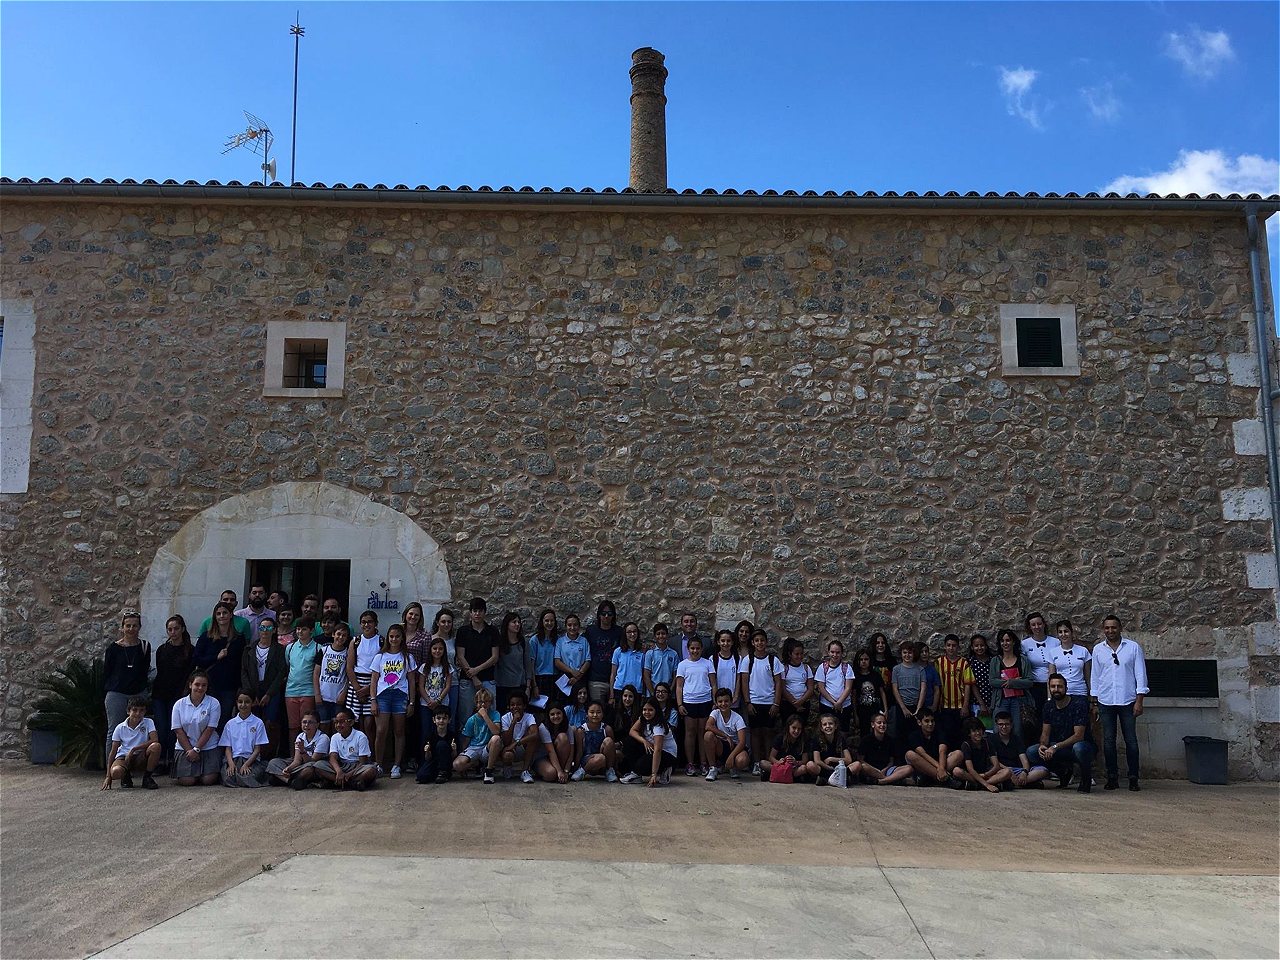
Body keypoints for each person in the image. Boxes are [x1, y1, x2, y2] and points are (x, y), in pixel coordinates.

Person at [1090, 615, 1148, 791]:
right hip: (1106, 701)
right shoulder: (1098, 649)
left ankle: (1133, 777)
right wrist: (1094, 701)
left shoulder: (1133, 648)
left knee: (1131, 740)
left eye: (1113, 627)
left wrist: (1139, 700)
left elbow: (1141, 675)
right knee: (1108, 741)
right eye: (1107, 628)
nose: (1110, 631)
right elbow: (1095, 676)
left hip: (1127, 700)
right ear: (1103, 630)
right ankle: (1112, 777)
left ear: (1120, 628)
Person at [1028, 673, 1096, 792]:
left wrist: (1054, 747)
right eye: (1053, 686)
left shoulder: (1078, 704)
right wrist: (1043, 745)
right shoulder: (1048, 706)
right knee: (1032, 752)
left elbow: (1078, 736)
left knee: (1079, 748)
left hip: (1080, 746)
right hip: (1059, 747)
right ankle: (1063, 772)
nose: (1056, 689)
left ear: (1066, 688)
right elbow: (1045, 733)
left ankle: (1085, 779)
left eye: (1059, 686)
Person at [103, 610, 152, 765]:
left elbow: (144, 670)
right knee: (114, 731)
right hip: (117, 694)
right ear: (122, 627)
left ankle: (135, 765)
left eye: (134, 626)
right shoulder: (113, 648)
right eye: (128, 625)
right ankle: (112, 767)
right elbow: (107, 672)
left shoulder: (144, 646)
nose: (131, 629)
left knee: (139, 730)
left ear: (139, 627)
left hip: (138, 693)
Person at [368, 622, 417, 779]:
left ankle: (396, 765)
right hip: (383, 695)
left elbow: (411, 681)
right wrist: (373, 700)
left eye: (397, 636)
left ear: (402, 638)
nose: (394, 639)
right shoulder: (380, 656)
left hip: (400, 696)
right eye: (391, 636)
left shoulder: (407, 657)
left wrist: (411, 702)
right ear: (387, 638)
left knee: (399, 731)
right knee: (381, 730)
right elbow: (374, 680)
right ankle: (379, 764)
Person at [194, 602, 248, 727]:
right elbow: (197, 659)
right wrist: (215, 657)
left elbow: (242, 664)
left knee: (224, 718)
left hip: (230, 686)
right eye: (218, 614)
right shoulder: (206, 637)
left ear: (231, 615)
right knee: (206, 719)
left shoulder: (239, 639)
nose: (222, 616)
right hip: (209, 685)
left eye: (225, 613)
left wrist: (241, 685)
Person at [151, 614, 194, 772]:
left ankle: (172, 761)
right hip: (160, 694)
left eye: (176, 628)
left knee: (174, 729)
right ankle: (161, 760)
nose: (173, 632)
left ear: (182, 629)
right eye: (170, 629)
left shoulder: (190, 650)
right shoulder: (162, 650)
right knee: (161, 728)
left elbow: (190, 674)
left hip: (179, 695)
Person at [239, 614, 286, 756]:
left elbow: (281, 673)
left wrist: (269, 694)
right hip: (253, 691)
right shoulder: (249, 649)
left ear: (274, 630)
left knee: (270, 723)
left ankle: (268, 754)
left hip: (271, 691)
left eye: (269, 628)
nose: (265, 631)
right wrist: (250, 694)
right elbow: (244, 672)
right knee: (252, 723)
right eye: (262, 628)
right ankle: (250, 752)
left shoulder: (280, 650)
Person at [739, 629, 783, 774]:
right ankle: (757, 762)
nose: (760, 643)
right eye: (757, 640)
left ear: (766, 642)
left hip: (770, 703)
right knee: (755, 733)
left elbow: (778, 682)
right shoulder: (748, 660)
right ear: (752, 643)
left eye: (762, 640)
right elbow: (744, 682)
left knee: (768, 733)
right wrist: (748, 702)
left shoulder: (773, 660)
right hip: (754, 702)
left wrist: (776, 703)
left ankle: (768, 763)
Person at [171, 669, 221, 786]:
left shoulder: (214, 703)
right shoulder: (179, 704)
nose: (200, 688)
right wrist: (190, 750)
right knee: (187, 781)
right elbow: (178, 731)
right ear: (190, 685)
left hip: (208, 746)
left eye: (204, 685)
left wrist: (196, 749)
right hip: (185, 747)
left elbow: (210, 729)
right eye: (197, 684)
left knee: (208, 780)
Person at [102, 695, 161, 790]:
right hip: (124, 757)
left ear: (145, 712)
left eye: (141, 710)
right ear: (128, 711)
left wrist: (134, 749)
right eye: (134, 710)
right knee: (116, 772)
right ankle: (125, 776)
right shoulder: (120, 728)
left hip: (140, 755)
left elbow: (154, 739)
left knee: (156, 746)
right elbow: (113, 751)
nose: (138, 713)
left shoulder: (148, 722)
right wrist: (108, 776)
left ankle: (147, 778)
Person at [455, 598, 500, 721]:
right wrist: (474, 677)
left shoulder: (493, 631)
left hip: (488, 679)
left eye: (480, 611)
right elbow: (460, 656)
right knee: (465, 715)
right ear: (470, 612)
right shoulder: (463, 631)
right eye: (475, 611)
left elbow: (495, 657)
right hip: (467, 680)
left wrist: (477, 670)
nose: (477, 614)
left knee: (490, 715)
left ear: (485, 612)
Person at [676, 636, 716, 776]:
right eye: (692, 648)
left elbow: (713, 684)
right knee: (690, 733)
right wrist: (680, 704)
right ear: (688, 649)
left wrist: (715, 701)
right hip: (689, 702)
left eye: (697, 648)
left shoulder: (708, 663)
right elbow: (679, 686)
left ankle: (703, 763)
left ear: (702, 649)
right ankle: (690, 763)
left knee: (702, 732)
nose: (695, 651)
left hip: (705, 701)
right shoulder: (683, 665)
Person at [989, 629, 1036, 744]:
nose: (1005, 643)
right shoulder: (995, 660)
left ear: (1013, 642)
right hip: (1001, 700)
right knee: (998, 730)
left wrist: (1013, 682)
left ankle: (1019, 753)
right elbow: (992, 681)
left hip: (1019, 701)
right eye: (1002, 641)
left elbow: (1029, 681)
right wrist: (1012, 681)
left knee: (1018, 730)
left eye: (1008, 640)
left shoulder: (1023, 660)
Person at [316, 707, 378, 790]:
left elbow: (363, 762)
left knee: (371, 770)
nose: (338, 725)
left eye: (342, 722)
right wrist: (339, 771)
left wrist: (348, 775)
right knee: (318, 765)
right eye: (336, 722)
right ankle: (351, 783)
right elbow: (333, 757)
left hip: (357, 767)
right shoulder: (335, 737)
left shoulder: (360, 736)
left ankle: (340, 782)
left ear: (351, 722)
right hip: (342, 766)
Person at [620, 697, 677, 786]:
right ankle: (636, 775)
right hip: (651, 748)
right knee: (629, 742)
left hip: (666, 753)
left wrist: (654, 774)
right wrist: (644, 741)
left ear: (656, 710)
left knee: (643, 764)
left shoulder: (659, 726)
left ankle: (665, 768)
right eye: (644, 709)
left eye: (650, 710)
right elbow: (632, 731)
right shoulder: (643, 718)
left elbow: (658, 750)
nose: (647, 712)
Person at [489, 690, 542, 783]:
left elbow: (535, 734)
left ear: (524, 706)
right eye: (512, 705)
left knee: (532, 738)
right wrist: (513, 721)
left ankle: (525, 771)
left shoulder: (529, 717)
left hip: (521, 746)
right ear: (509, 706)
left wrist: (517, 743)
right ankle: (507, 767)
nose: (515, 707)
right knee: (507, 755)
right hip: (509, 748)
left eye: (519, 704)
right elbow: (506, 741)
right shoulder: (505, 718)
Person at [266, 711, 329, 789]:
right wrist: (288, 769)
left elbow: (312, 761)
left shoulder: (323, 738)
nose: (306, 725)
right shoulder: (300, 736)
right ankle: (290, 781)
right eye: (304, 722)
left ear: (317, 724)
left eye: (310, 722)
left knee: (311, 768)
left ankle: (281, 778)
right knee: (273, 762)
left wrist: (302, 751)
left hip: (310, 765)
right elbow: (297, 761)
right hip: (299, 766)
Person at [219, 690, 269, 787]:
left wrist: (246, 764)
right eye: (240, 702)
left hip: (251, 760)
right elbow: (228, 748)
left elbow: (257, 749)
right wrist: (231, 764)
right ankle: (241, 779)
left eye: (247, 702)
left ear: (253, 703)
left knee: (253, 775)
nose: (243, 705)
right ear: (236, 703)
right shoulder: (230, 724)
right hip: (234, 759)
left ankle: (242, 779)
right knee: (227, 776)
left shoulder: (258, 723)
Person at [988, 710, 1049, 789]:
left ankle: (1014, 783)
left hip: (1017, 770)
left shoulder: (1017, 739)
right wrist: (1008, 771)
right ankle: (1024, 783)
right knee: (1000, 773)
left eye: (1007, 724)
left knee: (1043, 770)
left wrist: (1024, 772)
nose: (1004, 727)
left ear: (1011, 725)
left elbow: (1024, 759)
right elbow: (995, 762)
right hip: (1001, 769)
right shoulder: (991, 739)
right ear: (996, 725)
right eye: (1001, 724)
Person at [934, 634, 975, 748]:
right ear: (945, 647)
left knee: (961, 734)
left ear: (958, 647)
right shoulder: (938, 662)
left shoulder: (964, 663)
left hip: (960, 706)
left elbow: (968, 685)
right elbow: (936, 685)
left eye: (954, 645)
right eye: (949, 645)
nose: (951, 648)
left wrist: (965, 706)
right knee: (946, 735)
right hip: (944, 706)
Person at [345, 610, 382, 736]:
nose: (366, 625)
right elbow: (349, 667)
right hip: (356, 683)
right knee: (355, 722)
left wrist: (368, 689)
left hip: (373, 683)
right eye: (363, 622)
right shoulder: (355, 641)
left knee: (369, 724)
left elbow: (383, 668)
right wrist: (358, 690)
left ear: (376, 623)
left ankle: (370, 748)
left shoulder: (382, 641)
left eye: (370, 622)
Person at [453, 686, 501, 781]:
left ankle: (489, 770)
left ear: (490, 703)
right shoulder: (471, 719)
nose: (483, 704)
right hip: (474, 747)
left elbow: (496, 731)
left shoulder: (495, 714)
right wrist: (463, 756)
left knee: (496, 738)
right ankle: (477, 764)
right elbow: (466, 740)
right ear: (476, 703)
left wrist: (485, 716)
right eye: (480, 702)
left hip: (487, 748)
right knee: (457, 765)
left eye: (486, 701)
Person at [1021, 612, 1061, 726]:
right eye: (1033, 625)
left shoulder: (1055, 642)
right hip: (1035, 686)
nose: (1037, 627)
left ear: (1044, 624)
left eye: (1039, 624)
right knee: (1038, 715)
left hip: (1054, 684)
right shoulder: (1024, 644)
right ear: (1029, 627)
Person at [852, 712, 914, 785]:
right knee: (863, 766)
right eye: (879, 723)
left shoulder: (890, 740)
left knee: (909, 768)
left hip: (887, 770)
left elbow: (891, 761)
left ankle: (882, 781)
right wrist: (877, 771)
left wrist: (885, 770)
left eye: (884, 723)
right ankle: (891, 779)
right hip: (871, 769)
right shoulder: (866, 740)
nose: (882, 725)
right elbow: (861, 760)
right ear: (873, 725)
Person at [952, 717, 1012, 792]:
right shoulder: (966, 745)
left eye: (979, 730)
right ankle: (987, 784)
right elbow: (970, 769)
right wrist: (987, 785)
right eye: (974, 731)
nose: (978, 733)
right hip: (972, 774)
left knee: (1007, 772)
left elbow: (996, 765)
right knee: (956, 771)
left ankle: (977, 785)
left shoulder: (987, 743)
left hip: (986, 773)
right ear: (969, 733)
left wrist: (986, 775)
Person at [704, 687, 749, 781]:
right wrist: (726, 736)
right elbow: (708, 726)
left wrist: (731, 756)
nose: (723, 704)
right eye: (720, 701)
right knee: (708, 735)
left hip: (735, 747)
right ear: (716, 703)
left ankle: (733, 767)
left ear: (731, 702)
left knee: (742, 760)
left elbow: (742, 742)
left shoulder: (738, 718)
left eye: (726, 701)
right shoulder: (715, 713)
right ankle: (713, 768)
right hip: (722, 745)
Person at [904, 709, 958, 786]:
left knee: (958, 754)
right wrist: (940, 768)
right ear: (919, 722)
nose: (930, 724)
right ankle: (945, 779)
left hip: (940, 763)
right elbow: (923, 754)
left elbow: (942, 751)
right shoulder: (914, 735)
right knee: (910, 754)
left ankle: (934, 779)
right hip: (924, 765)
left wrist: (941, 768)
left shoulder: (939, 732)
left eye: (932, 721)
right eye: (927, 721)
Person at [314, 623, 351, 735]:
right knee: (323, 726)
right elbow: (316, 674)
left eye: (344, 635)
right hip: (323, 696)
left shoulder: (348, 653)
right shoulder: (324, 650)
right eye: (338, 634)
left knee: (337, 726)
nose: (341, 637)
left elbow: (348, 675)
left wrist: (343, 693)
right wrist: (317, 694)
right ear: (333, 634)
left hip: (338, 697)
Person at [494, 611, 535, 713]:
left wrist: (528, 687)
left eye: (518, 622)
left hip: (519, 684)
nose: (517, 624)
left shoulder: (523, 642)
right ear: (507, 624)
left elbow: (528, 665)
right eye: (514, 622)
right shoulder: (499, 642)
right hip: (502, 685)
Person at [584, 600, 623, 704]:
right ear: (599, 615)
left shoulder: (619, 632)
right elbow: (581, 646)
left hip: (616, 680)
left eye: (609, 614)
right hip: (596, 680)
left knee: (615, 710)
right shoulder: (591, 631)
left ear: (613, 616)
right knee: (597, 709)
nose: (606, 616)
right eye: (603, 613)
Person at [761, 714, 819, 783]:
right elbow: (771, 757)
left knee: (803, 768)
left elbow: (805, 761)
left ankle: (777, 775)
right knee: (763, 763)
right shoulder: (780, 738)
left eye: (799, 729)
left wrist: (795, 762)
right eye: (794, 728)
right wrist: (778, 762)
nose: (796, 731)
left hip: (794, 768)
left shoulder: (804, 740)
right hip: (781, 766)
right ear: (788, 727)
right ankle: (787, 776)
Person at [417, 637, 453, 748]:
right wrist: (429, 701)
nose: (437, 651)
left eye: (440, 649)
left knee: (440, 730)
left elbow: (448, 686)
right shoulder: (424, 667)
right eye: (435, 648)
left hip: (442, 704)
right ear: (430, 650)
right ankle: (425, 755)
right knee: (426, 730)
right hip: (426, 704)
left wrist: (438, 701)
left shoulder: (448, 667)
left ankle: (440, 753)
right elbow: (421, 686)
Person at [814, 639, 854, 733]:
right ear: (828, 652)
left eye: (837, 652)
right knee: (827, 731)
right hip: (827, 705)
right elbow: (821, 687)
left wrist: (839, 702)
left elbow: (848, 687)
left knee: (843, 731)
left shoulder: (847, 668)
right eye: (832, 652)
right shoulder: (822, 667)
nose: (835, 655)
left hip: (844, 706)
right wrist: (833, 702)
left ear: (842, 653)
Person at [572, 700, 618, 782]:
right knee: (600, 758)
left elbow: (612, 750)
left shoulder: (607, 729)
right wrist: (575, 769)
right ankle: (582, 771)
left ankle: (609, 771)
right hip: (588, 760)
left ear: (602, 714)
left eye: (598, 712)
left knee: (609, 741)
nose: (595, 715)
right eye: (592, 712)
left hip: (603, 762)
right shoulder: (581, 731)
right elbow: (579, 752)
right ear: (587, 714)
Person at [891, 640, 927, 735]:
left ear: (914, 654)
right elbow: (895, 689)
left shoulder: (920, 670)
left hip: (916, 706)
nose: (907, 655)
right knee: (901, 734)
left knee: (916, 733)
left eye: (910, 653)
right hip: (901, 706)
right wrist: (903, 708)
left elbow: (923, 689)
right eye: (905, 652)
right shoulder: (896, 669)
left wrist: (918, 708)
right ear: (901, 654)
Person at [553, 613, 591, 704]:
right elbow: (557, 661)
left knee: (579, 703)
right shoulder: (560, 641)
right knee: (564, 703)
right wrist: (571, 671)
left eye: (575, 625)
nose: (572, 628)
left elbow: (588, 661)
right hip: (564, 678)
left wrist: (577, 676)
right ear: (566, 626)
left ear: (579, 626)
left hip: (580, 676)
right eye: (569, 625)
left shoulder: (584, 641)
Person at [1050, 619, 1092, 698]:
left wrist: (1091, 694)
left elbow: (1088, 677)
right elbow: (1051, 678)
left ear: (1071, 632)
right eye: (1060, 632)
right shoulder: (1053, 652)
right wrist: (1049, 697)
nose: (1063, 634)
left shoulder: (1083, 651)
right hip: (1061, 693)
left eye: (1066, 631)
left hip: (1080, 692)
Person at [851, 649, 889, 737]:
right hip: (862, 711)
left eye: (866, 659)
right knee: (864, 734)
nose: (863, 662)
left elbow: (882, 692)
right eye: (861, 659)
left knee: (878, 732)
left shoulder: (876, 675)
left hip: (876, 710)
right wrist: (855, 714)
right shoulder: (855, 677)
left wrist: (886, 709)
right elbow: (854, 696)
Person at [532, 705, 574, 784]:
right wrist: (559, 771)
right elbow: (550, 751)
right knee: (551, 774)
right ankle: (553, 772)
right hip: (542, 757)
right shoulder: (543, 727)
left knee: (563, 737)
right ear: (548, 716)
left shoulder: (567, 727)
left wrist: (566, 771)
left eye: (558, 713)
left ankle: (561, 773)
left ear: (563, 714)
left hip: (558, 757)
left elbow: (571, 751)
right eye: (552, 714)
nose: (556, 716)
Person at [780, 637, 815, 728]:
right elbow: (782, 688)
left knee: (801, 728)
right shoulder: (784, 668)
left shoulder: (806, 668)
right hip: (788, 704)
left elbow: (810, 688)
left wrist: (801, 701)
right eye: (796, 654)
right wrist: (794, 703)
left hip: (804, 704)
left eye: (801, 653)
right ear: (790, 654)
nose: (799, 656)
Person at [416, 707, 456, 784]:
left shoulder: (452, 735)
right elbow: (427, 758)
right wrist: (427, 751)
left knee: (441, 744)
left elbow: (453, 756)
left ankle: (443, 773)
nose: (441, 721)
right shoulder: (430, 735)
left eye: (444, 718)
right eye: (438, 718)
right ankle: (436, 774)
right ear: (434, 720)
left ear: (449, 720)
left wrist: (454, 749)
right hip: (433, 761)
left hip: (446, 762)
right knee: (421, 777)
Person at [812, 712, 853, 786]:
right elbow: (817, 761)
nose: (828, 726)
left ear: (835, 726)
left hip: (839, 768)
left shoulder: (841, 739)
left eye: (830, 724)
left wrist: (832, 759)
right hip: (825, 768)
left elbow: (849, 760)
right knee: (810, 765)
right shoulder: (817, 739)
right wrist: (829, 768)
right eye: (824, 724)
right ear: (821, 728)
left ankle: (827, 780)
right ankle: (836, 779)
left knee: (857, 765)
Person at [610, 623, 646, 708]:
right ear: (625, 634)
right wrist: (611, 695)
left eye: (634, 631)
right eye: (629, 632)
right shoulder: (618, 651)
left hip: (637, 690)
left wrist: (644, 693)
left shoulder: (642, 652)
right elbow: (613, 674)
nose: (632, 634)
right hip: (620, 689)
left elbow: (644, 674)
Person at [529, 608, 559, 704]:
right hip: (540, 679)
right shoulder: (535, 640)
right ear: (542, 622)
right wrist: (534, 686)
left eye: (552, 620)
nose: (549, 623)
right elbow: (531, 665)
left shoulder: (558, 640)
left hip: (555, 678)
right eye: (546, 620)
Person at [642, 622, 679, 696]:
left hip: (668, 693)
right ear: (654, 636)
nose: (661, 636)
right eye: (658, 634)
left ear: (667, 635)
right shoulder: (650, 653)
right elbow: (646, 675)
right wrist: (653, 692)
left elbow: (675, 675)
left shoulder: (673, 654)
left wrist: (670, 691)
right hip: (652, 692)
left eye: (663, 633)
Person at [711, 630, 743, 710]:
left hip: (733, 701)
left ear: (732, 642)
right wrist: (715, 699)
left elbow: (738, 679)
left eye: (728, 641)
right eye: (723, 641)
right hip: (719, 702)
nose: (725, 643)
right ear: (718, 642)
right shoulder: (713, 659)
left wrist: (735, 696)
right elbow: (713, 682)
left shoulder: (737, 658)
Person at [967, 633, 993, 723]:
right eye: (976, 646)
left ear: (986, 646)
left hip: (992, 701)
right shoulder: (970, 662)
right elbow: (972, 684)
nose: (979, 648)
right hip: (976, 702)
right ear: (972, 647)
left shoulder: (993, 661)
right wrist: (982, 704)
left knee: (991, 728)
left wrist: (992, 704)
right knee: (977, 726)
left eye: (982, 645)